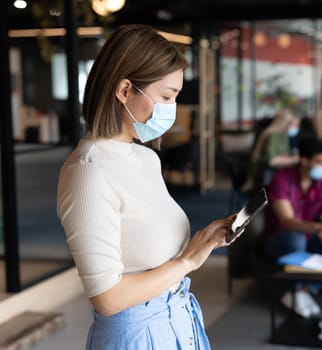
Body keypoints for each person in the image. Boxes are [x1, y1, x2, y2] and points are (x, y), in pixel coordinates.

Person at [57, 24, 235, 349]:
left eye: (176, 98)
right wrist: (187, 262)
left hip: (179, 318)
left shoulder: (145, 157)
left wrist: (199, 243)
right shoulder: (88, 171)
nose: (172, 109)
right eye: (166, 96)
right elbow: (107, 299)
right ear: (124, 91)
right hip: (136, 336)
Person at [260, 136, 322, 318]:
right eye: (319, 162)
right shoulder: (282, 180)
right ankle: (297, 290)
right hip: (279, 239)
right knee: (295, 239)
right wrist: (319, 227)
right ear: (304, 161)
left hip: (308, 238)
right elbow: (287, 221)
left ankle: (302, 291)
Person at [249, 109, 301, 190]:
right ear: (284, 123)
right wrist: (295, 159)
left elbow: (284, 154)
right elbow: (272, 161)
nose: (296, 128)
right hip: (266, 177)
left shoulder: (283, 135)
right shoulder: (272, 136)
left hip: (275, 173)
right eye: (294, 125)